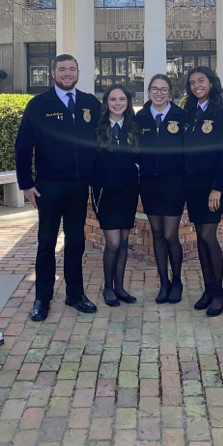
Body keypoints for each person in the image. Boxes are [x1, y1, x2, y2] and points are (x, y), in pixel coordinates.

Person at [14, 54, 101, 322]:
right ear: (53, 73)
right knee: (46, 243)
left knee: (76, 242)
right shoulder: (39, 105)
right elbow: (23, 146)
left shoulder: (89, 103)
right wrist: (26, 184)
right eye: (61, 69)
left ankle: (75, 294)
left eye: (71, 69)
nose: (67, 73)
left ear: (78, 72)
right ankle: (42, 297)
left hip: (79, 186)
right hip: (48, 186)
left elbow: (102, 141)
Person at [182, 66, 223, 317]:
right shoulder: (190, 112)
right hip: (192, 185)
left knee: (208, 235)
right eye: (192, 83)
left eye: (201, 81)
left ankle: (219, 292)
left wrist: (218, 187)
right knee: (199, 235)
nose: (196, 86)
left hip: (212, 185)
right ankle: (207, 289)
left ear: (211, 83)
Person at [135, 73, 187, 303]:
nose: (159, 93)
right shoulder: (141, 117)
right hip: (149, 183)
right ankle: (163, 283)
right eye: (155, 89)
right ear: (148, 92)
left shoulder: (180, 116)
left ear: (170, 93)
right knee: (156, 233)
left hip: (174, 183)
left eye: (164, 89)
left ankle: (177, 282)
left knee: (170, 234)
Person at [92, 84, 140, 307]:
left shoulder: (134, 127)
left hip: (128, 190)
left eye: (122, 99)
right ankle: (108, 288)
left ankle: (120, 287)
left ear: (128, 102)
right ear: (106, 102)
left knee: (123, 241)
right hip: (106, 192)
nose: (118, 103)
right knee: (112, 242)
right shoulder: (98, 128)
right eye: (113, 99)